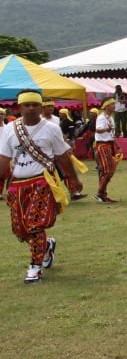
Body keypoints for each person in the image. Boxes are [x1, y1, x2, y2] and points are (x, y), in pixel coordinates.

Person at [0, 90, 83, 284]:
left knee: (34, 224)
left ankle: (35, 267)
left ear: (40, 107)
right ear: (19, 107)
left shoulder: (51, 128)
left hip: (42, 181)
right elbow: (4, 158)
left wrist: (74, 179)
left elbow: (62, 155)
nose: (30, 108)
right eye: (26, 105)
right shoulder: (10, 129)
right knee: (20, 229)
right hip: (17, 185)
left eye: (34, 104)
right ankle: (46, 246)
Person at [93, 97, 120, 203]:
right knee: (107, 171)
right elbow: (98, 129)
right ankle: (99, 193)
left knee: (110, 170)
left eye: (114, 104)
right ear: (106, 106)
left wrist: (117, 145)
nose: (114, 106)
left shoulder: (110, 118)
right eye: (112, 104)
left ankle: (103, 195)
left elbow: (112, 134)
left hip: (109, 145)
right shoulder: (101, 117)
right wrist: (106, 129)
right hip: (102, 145)